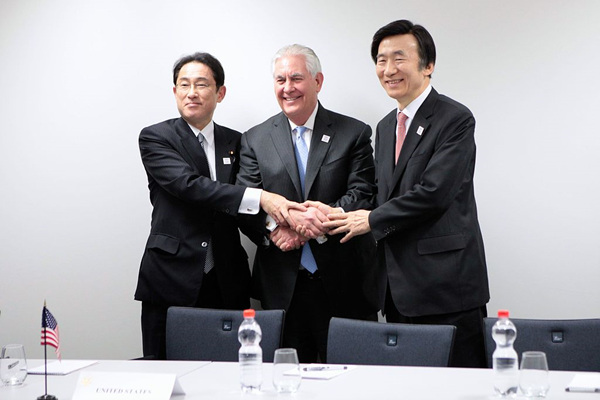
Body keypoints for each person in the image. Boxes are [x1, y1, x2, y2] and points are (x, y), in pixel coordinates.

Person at [324, 20, 490, 368]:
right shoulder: (385, 126)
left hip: (446, 289)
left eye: (399, 58)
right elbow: (381, 194)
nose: (388, 69)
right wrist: (331, 214)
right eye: (381, 60)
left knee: (458, 388)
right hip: (396, 290)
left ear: (428, 65)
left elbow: (433, 193)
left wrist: (370, 219)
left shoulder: (455, 119)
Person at [135, 52, 297, 360]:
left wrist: (274, 228)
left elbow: (239, 208)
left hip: (227, 278)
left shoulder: (238, 142)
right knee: (164, 368)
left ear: (220, 92)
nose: (191, 92)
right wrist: (262, 198)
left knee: (231, 371)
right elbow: (190, 187)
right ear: (174, 92)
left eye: (201, 84)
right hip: (171, 275)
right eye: (184, 85)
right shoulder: (156, 137)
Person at [236, 44, 384, 363]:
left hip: (346, 281)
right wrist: (274, 227)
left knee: (355, 379)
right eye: (280, 80)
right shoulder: (254, 139)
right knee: (287, 380)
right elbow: (246, 200)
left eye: (296, 78)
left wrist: (308, 229)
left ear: (317, 81)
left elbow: (362, 192)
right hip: (282, 287)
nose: (288, 88)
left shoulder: (353, 132)